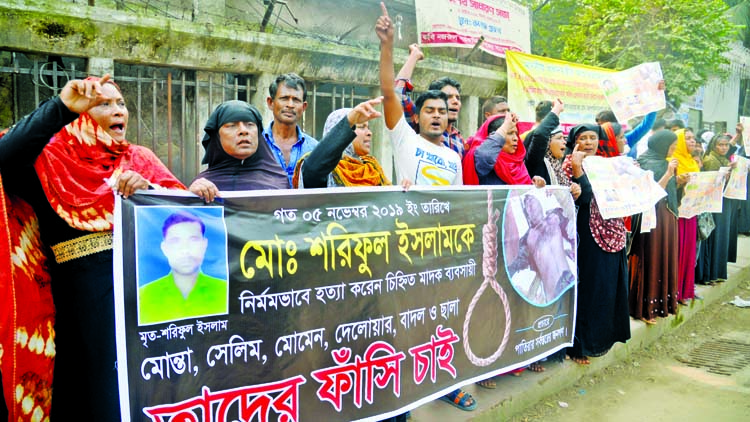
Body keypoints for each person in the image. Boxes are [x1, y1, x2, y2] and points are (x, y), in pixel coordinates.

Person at [0, 76, 185, 419]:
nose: (118, 111)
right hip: (80, 310)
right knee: (93, 398)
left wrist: (147, 195)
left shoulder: (140, 159)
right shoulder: (50, 158)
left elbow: (185, 220)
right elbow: (5, 157)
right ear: (80, 114)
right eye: (104, 104)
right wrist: (60, 108)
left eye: (121, 103)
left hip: (145, 301)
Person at [375, 3, 472, 414]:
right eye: (428, 111)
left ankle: (442, 383)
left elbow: (456, 206)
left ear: (451, 120)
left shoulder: (452, 159)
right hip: (403, 250)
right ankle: (402, 394)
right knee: (404, 325)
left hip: (439, 251)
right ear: (418, 118)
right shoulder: (405, 140)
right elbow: (388, 92)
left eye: (442, 112)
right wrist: (391, 47)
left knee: (439, 320)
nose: (436, 116)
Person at [563, 123, 631, 365]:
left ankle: (601, 339)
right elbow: (586, 196)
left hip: (610, 231)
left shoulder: (606, 164)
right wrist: (578, 167)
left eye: (593, 137)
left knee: (607, 285)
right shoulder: (567, 165)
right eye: (583, 137)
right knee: (588, 287)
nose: (589, 142)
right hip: (585, 234)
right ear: (574, 141)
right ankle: (579, 345)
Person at [189, 100, 288, 202]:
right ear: (217, 136)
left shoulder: (278, 180)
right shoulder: (202, 186)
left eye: (250, 124)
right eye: (232, 125)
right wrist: (190, 197)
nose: (243, 131)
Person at [139, 211, 228, 324]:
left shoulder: (227, 291)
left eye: (193, 240)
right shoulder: (143, 296)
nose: (185, 250)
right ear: (164, 248)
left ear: (204, 244)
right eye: (175, 241)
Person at [629, 129, 680, 323]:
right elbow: (651, 193)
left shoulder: (661, 161)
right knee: (651, 257)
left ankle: (660, 304)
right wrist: (668, 174)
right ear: (661, 145)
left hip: (666, 216)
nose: (672, 151)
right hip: (652, 217)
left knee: (662, 256)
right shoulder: (646, 163)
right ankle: (645, 307)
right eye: (671, 147)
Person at [293, 97, 392, 188]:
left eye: (368, 128)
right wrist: (349, 121)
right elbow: (312, 170)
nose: (369, 133)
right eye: (361, 127)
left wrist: (404, 189)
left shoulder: (372, 169)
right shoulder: (324, 168)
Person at [394, 43, 466, 156]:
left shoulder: (459, 139)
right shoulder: (419, 126)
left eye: (458, 98)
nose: (455, 101)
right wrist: (414, 56)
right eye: (448, 97)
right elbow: (397, 93)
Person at [507, 193, 576, 303]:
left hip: (569, 280)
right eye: (528, 205)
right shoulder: (528, 238)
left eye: (532, 200)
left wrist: (554, 190)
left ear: (540, 203)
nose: (531, 204)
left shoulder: (555, 217)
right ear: (527, 215)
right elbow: (513, 266)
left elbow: (573, 233)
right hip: (552, 292)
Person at [262, 73, 318, 187]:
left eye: (296, 100)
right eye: (284, 98)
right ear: (270, 103)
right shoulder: (257, 144)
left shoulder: (314, 148)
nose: (290, 105)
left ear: (304, 107)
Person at [463, 112, 546, 187]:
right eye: (509, 133)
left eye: (516, 134)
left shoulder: (517, 165)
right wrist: (505, 127)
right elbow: (486, 156)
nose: (516, 139)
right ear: (491, 136)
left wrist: (533, 184)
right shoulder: (482, 158)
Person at [697, 133, 738, 284]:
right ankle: (709, 274)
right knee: (714, 238)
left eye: (726, 145)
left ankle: (716, 273)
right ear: (713, 145)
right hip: (714, 204)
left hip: (722, 203)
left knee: (721, 238)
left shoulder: (723, 159)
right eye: (720, 145)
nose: (723, 148)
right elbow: (710, 184)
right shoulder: (711, 160)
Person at [672, 129, 701, 304]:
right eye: (687, 138)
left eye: (692, 138)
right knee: (678, 251)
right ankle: (674, 291)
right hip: (678, 213)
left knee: (689, 251)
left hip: (691, 212)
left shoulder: (692, 161)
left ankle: (685, 290)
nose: (691, 141)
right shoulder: (672, 161)